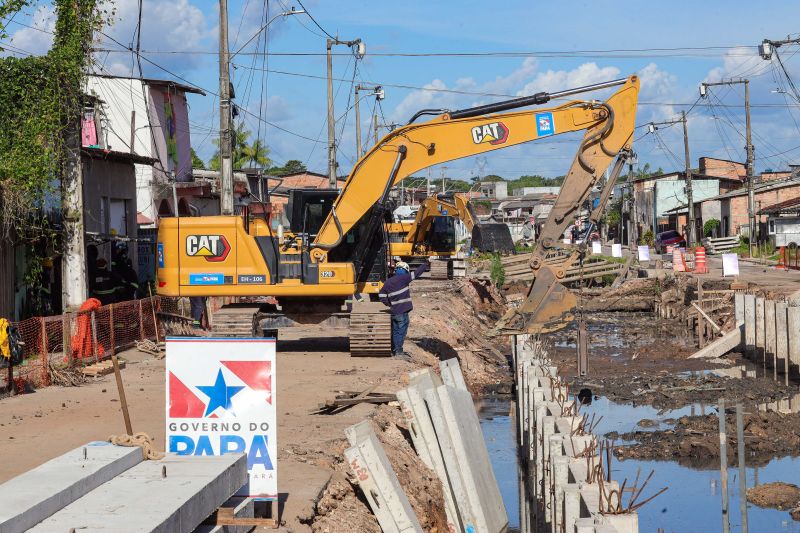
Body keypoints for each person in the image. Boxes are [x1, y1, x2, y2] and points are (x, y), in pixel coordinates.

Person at [378, 260, 428, 359]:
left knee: (395, 331)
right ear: (405, 270)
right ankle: (399, 352)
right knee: (401, 332)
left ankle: (394, 350)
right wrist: (426, 263)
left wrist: (389, 303)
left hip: (394, 311)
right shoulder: (404, 278)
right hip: (402, 312)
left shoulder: (388, 282)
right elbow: (417, 273)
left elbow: (381, 295)